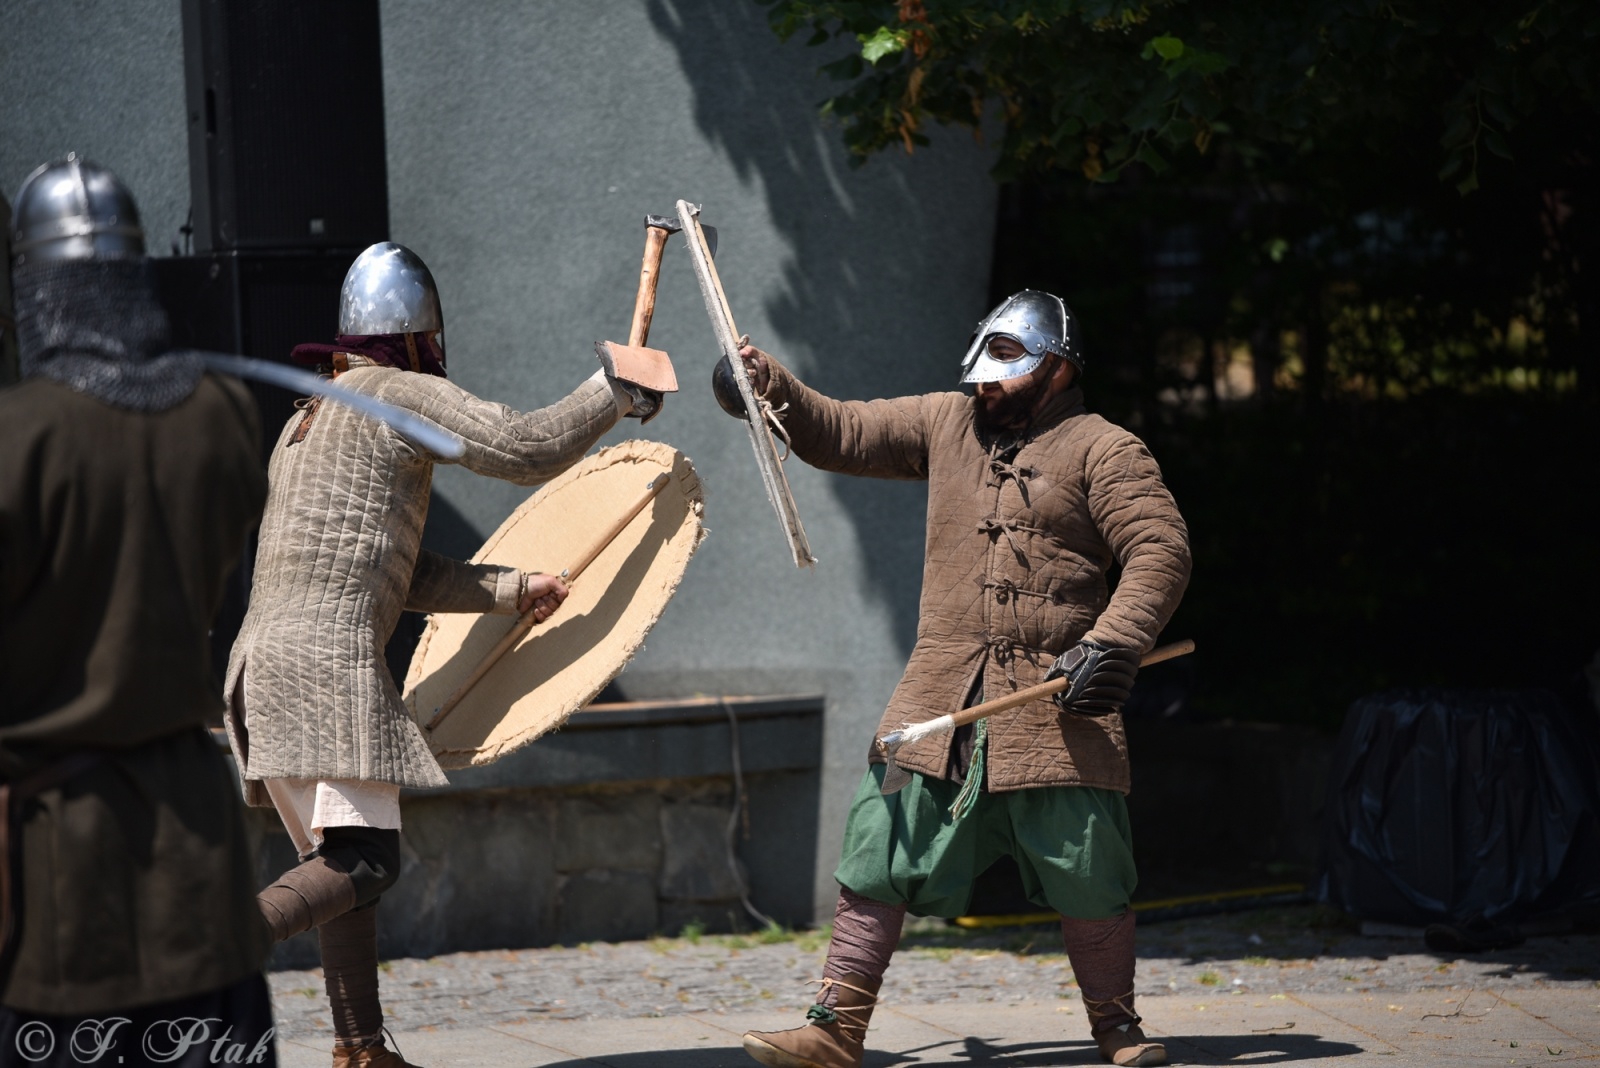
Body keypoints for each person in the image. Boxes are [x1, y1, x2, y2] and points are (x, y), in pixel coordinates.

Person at [225, 241, 669, 1068]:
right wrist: (613, 390)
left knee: (340, 860)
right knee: (363, 861)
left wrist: (508, 588)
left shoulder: (312, 415)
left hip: (262, 668)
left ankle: (360, 1047)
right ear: (422, 332)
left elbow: (391, 567)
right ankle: (209, 948)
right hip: (325, 668)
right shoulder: (396, 393)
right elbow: (524, 445)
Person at [727, 290, 1191, 1068]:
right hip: (940, 698)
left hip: (1058, 705)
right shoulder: (946, 421)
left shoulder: (1105, 448)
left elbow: (1160, 549)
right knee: (876, 850)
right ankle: (835, 1030)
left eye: (1005, 369)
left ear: (1059, 368)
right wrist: (768, 383)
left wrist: (1111, 644)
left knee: (1090, 872)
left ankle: (1118, 1032)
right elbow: (839, 429)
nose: (983, 387)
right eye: (981, 368)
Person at [0, 156, 275, 1064]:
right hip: (199, 851)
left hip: (60, 877)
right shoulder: (225, 415)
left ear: (37, 288)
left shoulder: (19, 438)